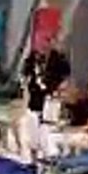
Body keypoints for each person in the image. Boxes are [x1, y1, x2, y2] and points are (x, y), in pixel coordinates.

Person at [19, 35, 72, 163]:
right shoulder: (32, 59)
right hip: (34, 101)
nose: (44, 46)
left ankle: (45, 161)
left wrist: (58, 92)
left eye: (48, 42)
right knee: (32, 136)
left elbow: (66, 79)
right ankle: (32, 160)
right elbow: (25, 80)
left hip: (50, 101)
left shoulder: (59, 59)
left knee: (46, 133)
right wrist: (24, 101)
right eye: (41, 43)